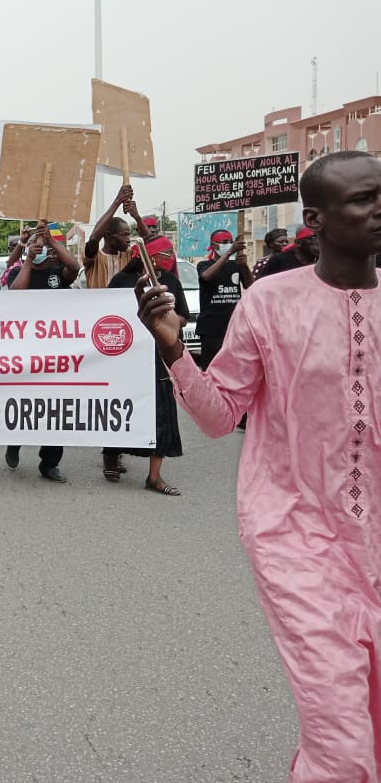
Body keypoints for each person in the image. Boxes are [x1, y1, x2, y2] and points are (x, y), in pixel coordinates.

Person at [136, 150, 381, 781]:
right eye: (362, 198)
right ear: (316, 217)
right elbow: (220, 416)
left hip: (375, 543)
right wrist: (172, 348)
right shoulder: (269, 302)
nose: (379, 208)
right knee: (341, 739)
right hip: (294, 537)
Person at [105, 237, 184, 495]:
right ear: (148, 257)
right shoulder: (122, 282)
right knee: (120, 407)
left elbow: (182, 317)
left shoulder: (171, 282)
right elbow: (105, 315)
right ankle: (111, 455)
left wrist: (166, 316)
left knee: (162, 413)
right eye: (164, 252)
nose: (169, 256)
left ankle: (154, 476)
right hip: (126, 355)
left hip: (159, 356)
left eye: (170, 252)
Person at [5, 220, 81, 482]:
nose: (43, 252)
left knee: (56, 409)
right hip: (26, 354)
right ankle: (15, 441)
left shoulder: (60, 273)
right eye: (38, 248)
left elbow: (75, 266)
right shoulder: (19, 273)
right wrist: (28, 259)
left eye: (46, 248)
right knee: (26, 405)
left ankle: (49, 463)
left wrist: (50, 241)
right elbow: (16, 295)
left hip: (57, 356)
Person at [196, 229, 251, 369]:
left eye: (230, 242)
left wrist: (244, 266)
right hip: (211, 329)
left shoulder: (235, 265)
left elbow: (250, 285)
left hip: (234, 327)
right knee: (212, 368)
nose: (229, 245)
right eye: (224, 242)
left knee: (234, 368)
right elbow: (207, 276)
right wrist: (228, 253)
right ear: (214, 246)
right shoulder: (204, 265)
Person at [83, 184, 140, 289]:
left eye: (129, 235)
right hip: (98, 305)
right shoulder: (93, 258)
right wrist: (118, 201)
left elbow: (152, 246)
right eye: (124, 235)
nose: (128, 240)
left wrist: (137, 216)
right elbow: (94, 239)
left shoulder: (130, 256)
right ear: (108, 235)